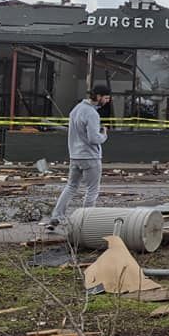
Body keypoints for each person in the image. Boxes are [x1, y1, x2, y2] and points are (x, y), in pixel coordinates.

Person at [49, 84, 111, 228]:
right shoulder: (92, 114)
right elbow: (93, 139)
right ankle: (85, 222)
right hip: (90, 157)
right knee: (92, 190)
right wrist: (104, 135)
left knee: (71, 186)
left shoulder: (76, 109)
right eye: (106, 98)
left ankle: (56, 217)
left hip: (75, 156)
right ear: (99, 96)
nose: (107, 101)